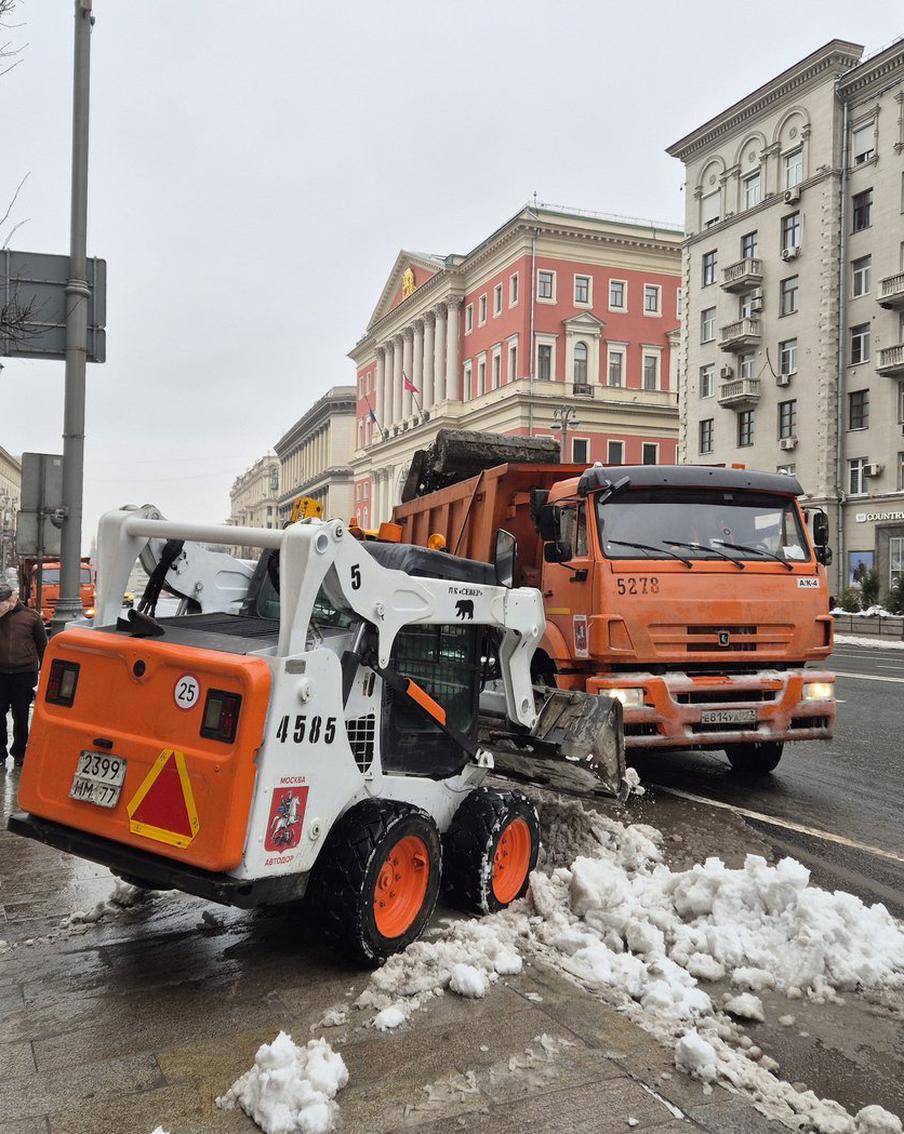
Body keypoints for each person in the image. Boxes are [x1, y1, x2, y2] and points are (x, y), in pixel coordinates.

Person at [0, 582, 47, 766]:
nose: (3, 605)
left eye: (4, 600)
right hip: (1, 674)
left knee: (21, 714)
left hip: (24, 673)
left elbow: (43, 646)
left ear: (14, 597)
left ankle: (20, 752)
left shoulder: (32, 617)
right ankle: (0, 753)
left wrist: (45, 671)